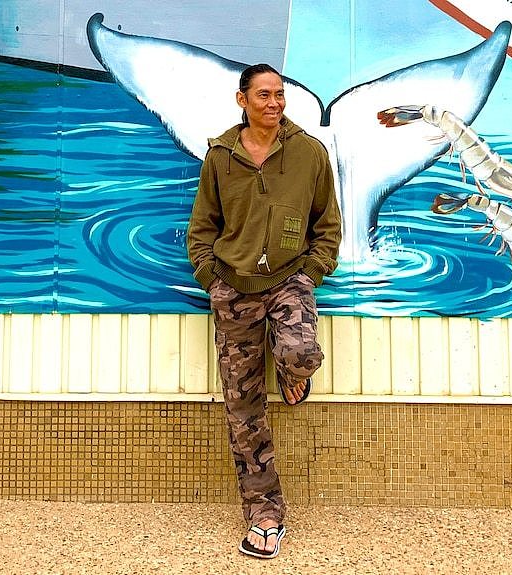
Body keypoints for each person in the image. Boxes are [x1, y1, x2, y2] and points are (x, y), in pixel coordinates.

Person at [186, 63, 341, 559]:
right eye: (264, 95)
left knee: (300, 351)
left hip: (289, 281)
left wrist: (311, 274)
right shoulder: (220, 158)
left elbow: (328, 226)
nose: (274, 103)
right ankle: (265, 514)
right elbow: (202, 228)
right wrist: (211, 279)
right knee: (243, 409)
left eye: (280, 95)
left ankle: (292, 370)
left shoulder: (309, 154)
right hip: (233, 290)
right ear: (242, 100)